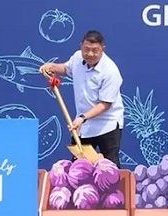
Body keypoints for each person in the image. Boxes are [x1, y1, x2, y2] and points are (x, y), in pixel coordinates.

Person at [39, 30, 125, 167]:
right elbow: (66, 69)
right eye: (86, 50)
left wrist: (82, 118)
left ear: (103, 49)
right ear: (81, 46)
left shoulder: (110, 71)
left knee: (109, 168)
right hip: (82, 126)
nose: (90, 54)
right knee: (78, 166)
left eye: (95, 50)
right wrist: (52, 67)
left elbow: (105, 104)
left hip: (106, 125)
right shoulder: (77, 58)